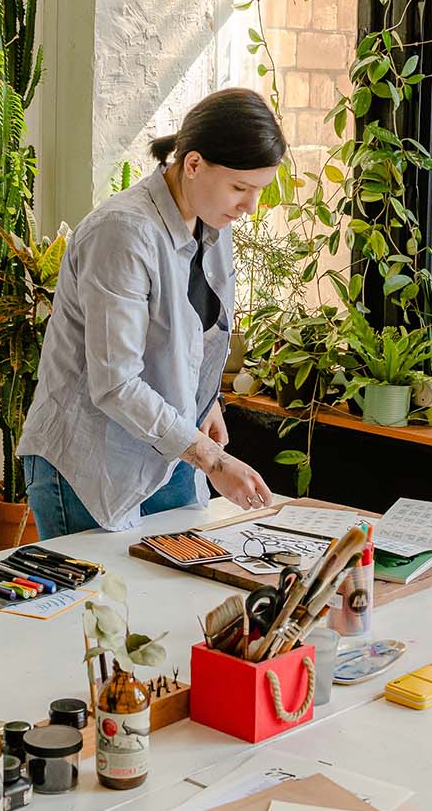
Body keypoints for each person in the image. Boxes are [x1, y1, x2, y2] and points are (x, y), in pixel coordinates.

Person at [19, 88, 286, 538]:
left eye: (258, 190)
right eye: (240, 187)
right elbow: (117, 382)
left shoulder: (213, 225)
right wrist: (214, 460)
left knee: (173, 604)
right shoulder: (122, 234)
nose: (249, 207)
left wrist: (207, 403)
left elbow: (193, 336)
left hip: (172, 453)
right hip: (93, 466)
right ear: (194, 164)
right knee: (99, 609)